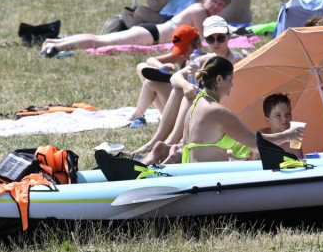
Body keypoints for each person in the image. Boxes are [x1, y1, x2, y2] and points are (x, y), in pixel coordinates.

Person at [136, 16, 253, 164]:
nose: (216, 42)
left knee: (190, 96)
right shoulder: (205, 59)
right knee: (181, 89)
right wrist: (187, 84)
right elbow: (176, 77)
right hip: (205, 111)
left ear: (229, 36)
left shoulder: (239, 61)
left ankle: (168, 145)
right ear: (205, 39)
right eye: (211, 39)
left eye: (220, 38)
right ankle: (157, 143)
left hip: (224, 109)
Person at [40, 0, 231, 54]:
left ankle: (53, 41)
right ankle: (56, 46)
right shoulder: (199, 11)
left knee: (100, 40)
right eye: (214, 1)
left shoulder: (201, 10)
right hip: (150, 34)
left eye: (220, 5)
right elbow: (206, 39)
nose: (216, 6)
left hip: (151, 33)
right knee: (99, 41)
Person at [181, 56, 304, 163]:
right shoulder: (217, 111)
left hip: (196, 179)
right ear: (219, 79)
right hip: (211, 182)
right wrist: (287, 135)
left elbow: (196, 149)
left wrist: (230, 153)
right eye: (230, 80)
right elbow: (256, 144)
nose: (232, 85)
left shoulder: (193, 108)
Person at [127, 24, 199, 127]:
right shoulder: (180, 57)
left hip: (184, 109)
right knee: (141, 66)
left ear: (196, 44)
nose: (182, 54)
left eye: (184, 49)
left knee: (151, 82)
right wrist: (162, 66)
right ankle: (161, 75)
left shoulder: (202, 60)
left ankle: (137, 115)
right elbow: (150, 60)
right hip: (173, 104)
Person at [258, 93, 302, 159]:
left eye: (288, 114)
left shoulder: (294, 137)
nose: (284, 119)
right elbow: (255, 163)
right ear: (267, 120)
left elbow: (301, 163)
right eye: (278, 116)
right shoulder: (262, 135)